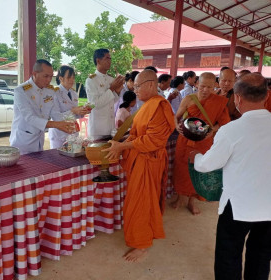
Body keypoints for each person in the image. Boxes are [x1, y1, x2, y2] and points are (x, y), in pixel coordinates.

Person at [192, 73, 271, 280]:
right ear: (267, 96)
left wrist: (196, 157)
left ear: (237, 98)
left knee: (229, 255)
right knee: (262, 255)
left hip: (237, 206)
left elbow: (207, 165)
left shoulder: (231, 130)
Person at [103, 69, 175, 262]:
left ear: (151, 85)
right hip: (140, 159)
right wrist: (123, 139)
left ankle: (142, 245)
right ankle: (143, 236)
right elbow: (138, 133)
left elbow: (152, 141)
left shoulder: (160, 106)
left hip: (149, 160)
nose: (134, 91)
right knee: (139, 202)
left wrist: (123, 146)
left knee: (142, 203)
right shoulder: (146, 105)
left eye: (137, 87)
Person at [172, 72, 230, 215]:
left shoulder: (218, 101)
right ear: (197, 84)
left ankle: (192, 201)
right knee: (181, 169)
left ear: (215, 86)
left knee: (198, 170)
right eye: (202, 86)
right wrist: (177, 126)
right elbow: (176, 116)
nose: (205, 90)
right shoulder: (188, 99)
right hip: (185, 139)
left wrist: (213, 130)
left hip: (204, 141)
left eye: (209, 87)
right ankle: (180, 198)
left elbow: (224, 122)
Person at [10, 59, 73, 154]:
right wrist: (56, 124)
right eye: (45, 76)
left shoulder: (50, 91)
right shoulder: (21, 91)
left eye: (51, 76)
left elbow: (55, 113)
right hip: (22, 143)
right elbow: (30, 118)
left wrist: (69, 122)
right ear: (34, 74)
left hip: (39, 141)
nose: (49, 80)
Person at [85, 49, 125, 139]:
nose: (110, 61)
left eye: (110, 58)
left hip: (110, 127)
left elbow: (113, 101)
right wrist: (112, 89)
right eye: (107, 58)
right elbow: (94, 104)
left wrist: (117, 91)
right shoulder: (91, 80)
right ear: (98, 60)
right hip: (98, 129)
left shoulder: (111, 79)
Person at [48, 65, 89, 149]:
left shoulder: (73, 93)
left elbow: (75, 115)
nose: (72, 80)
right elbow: (56, 117)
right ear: (61, 78)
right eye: (69, 77)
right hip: (59, 134)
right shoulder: (55, 93)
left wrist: (82, 112)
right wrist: (73, 111)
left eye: (73, 77)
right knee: (59, 159)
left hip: (72, 132)